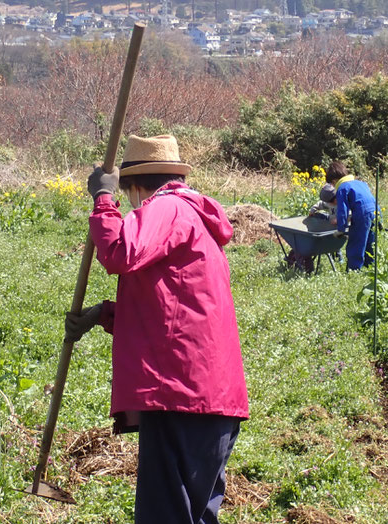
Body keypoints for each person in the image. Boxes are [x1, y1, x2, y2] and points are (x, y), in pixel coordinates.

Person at [64, 134, 249, 524]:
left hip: (181, 396)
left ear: (134, 186)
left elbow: (118, 253)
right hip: (205, 396)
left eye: (125, 193)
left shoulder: (167, 208)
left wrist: (102, 200)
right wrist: (106, 314)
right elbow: (173, 307)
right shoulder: (190, 216)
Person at [325, 161, 376, 270]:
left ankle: (354, 270)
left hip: (361, 215)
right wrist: (379, 220)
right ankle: (370, 266)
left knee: (356, 243)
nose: (333, 187)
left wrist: (341, 229)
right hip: (374, 212)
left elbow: (342, 211)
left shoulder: (342, 188)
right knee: (369, 242)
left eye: (332, 184)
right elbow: (372, 199)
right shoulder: (361, 183)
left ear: (334, 181)